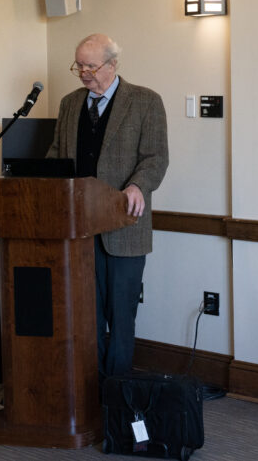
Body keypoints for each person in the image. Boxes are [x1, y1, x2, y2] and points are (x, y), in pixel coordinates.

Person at [46, 33, 169, 379]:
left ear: (113, 64)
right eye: (79, 66)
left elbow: (155, 157)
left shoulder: (145, 102)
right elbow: (58, 154)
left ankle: (116, 396)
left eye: (91, 66)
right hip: (79, 228)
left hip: (123, 228)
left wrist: (137, 185)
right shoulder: (70, 104)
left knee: (120, 317)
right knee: (86, 317)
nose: (84, 73)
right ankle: (90, 393)